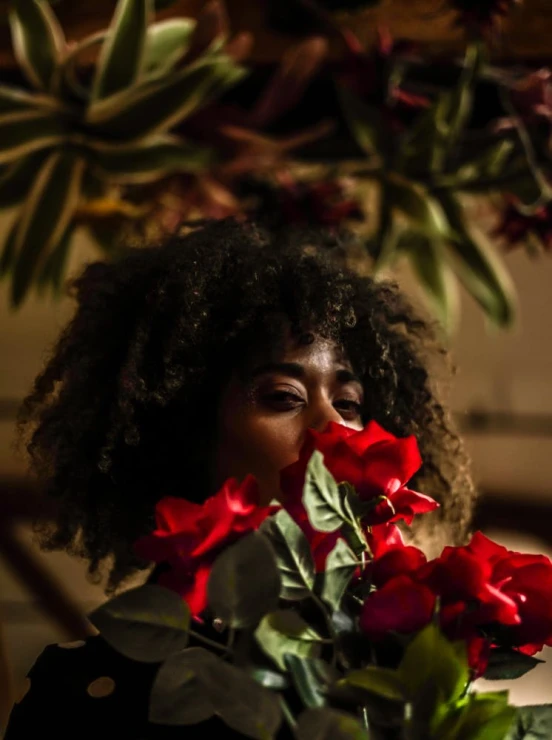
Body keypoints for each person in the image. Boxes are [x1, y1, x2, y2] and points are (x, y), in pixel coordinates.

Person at [4, 218, 474, 738]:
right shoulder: (80, 692)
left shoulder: (404, 674)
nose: (335, 426)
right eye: (283, 398)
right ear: (186, 431)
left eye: (349, 403)